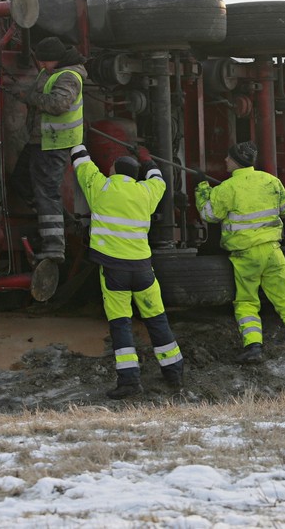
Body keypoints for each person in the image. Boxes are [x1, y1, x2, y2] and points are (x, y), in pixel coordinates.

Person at [69, 144, 184, 399]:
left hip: (114, 271)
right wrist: (148, 159)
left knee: (121, 323)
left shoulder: (102, 187)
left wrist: (76, 140)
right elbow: (159, 180)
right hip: (143, 268)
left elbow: (82, 163)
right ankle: (174, 371)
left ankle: (130, 381)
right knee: (157, 318)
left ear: (113, 171)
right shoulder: (145, 191)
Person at [195, 141, 285, 366]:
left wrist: (202, 189)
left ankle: (253, 347)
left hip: (245, 256)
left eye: (228, 157)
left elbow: (209, 214)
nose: (225, 160)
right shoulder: (270, 181)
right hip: (273, 253)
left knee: (246, 301)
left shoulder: (227, 188)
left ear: (236, 161)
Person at [9, 37, 87, 263]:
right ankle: (63, 222)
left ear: (57, 58)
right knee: (21, 182)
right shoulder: (53, 72)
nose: (41, 65)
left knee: (46, 193)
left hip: (55, 143)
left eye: (45, 61)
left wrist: (30, 98)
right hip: (40, 140)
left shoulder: (69, 76)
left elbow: (59, 105)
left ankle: (54, 247)